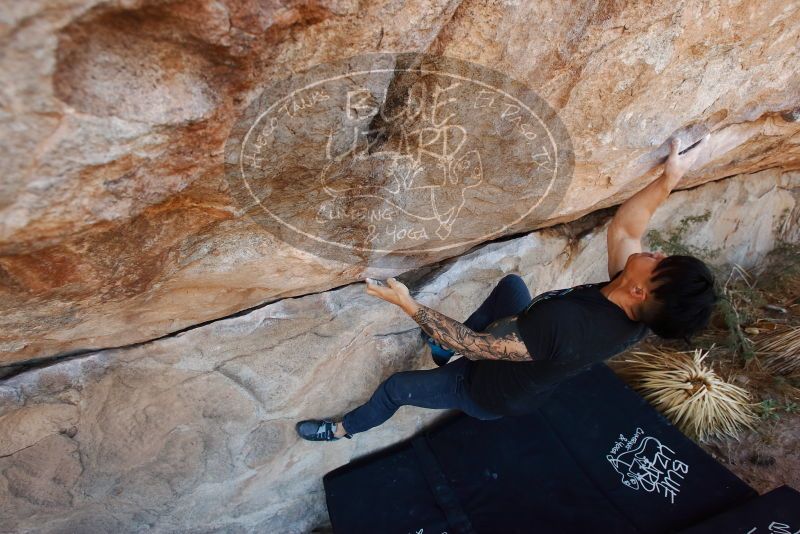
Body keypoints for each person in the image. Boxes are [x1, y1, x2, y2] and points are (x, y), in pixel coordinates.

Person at [296, 135, 718, 441]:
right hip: (525, 351)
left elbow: (476, 346)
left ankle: (341, 429)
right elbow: (628, 226)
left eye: (660, 264)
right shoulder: (636, 307)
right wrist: (669, 178)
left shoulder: (568, 325)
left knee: (396, 388)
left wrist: (408, 304)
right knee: (512, 286)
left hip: (483, 391)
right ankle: (441, 351)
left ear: (641, 292)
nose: (656, 253)